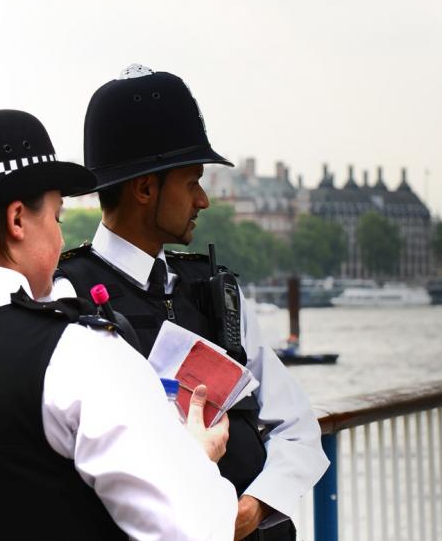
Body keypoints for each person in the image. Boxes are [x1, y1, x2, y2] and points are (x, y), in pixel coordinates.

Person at [0, 109, 237, 540]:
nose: (61, 238)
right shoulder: (79, 355)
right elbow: (195, 529)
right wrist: (194, 459)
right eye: (56, 217)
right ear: (17, 220)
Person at [53, 65, 330, 540]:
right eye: (192, 181)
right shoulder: (66, 299)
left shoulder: (214, 290)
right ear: (145, 189)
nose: (203, 200)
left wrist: (249, 512)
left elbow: (299, 430)